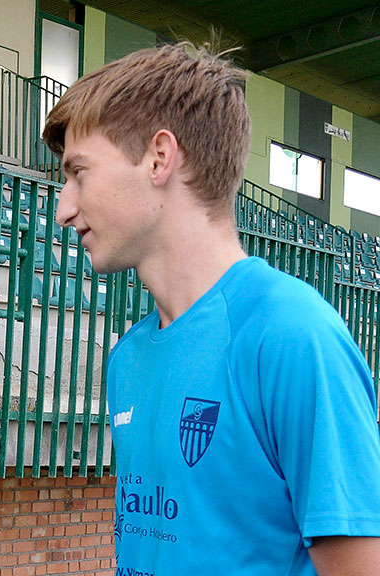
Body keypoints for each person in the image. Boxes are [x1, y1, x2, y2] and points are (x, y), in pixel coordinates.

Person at [43, 43, 380, 574]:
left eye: (78, 172)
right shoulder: (127, 357)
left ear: (159, 157)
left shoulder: (292, 335)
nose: (63, 207)